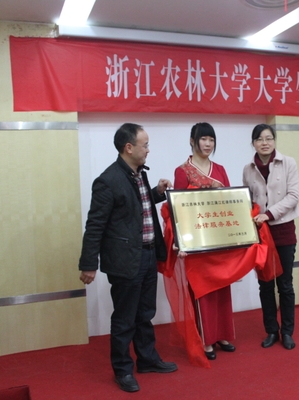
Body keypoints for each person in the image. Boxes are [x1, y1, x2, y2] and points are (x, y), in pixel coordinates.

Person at [78, 123, 177, 393]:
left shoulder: (138, 173)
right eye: (145, 145)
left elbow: (136, 207)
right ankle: (122, 369)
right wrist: (89, 264)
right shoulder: (108, 180)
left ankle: (147, 359)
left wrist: (157, 192)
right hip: (125, 260)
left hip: (147, 255)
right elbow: (95, 225)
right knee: (125, 318)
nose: (148, 150)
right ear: (129, 147)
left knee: (145, 313)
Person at [173, 122, 236, 360]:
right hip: (197, 243)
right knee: (202, 291)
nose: (208, 144)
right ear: (192, 141)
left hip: (218, 239)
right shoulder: (182, 171)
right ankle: (206, 339)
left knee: (221, 288)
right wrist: (181, 241)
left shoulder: (219, 169)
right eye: (203, 139)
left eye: (211, 139)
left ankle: (222, 335)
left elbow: (230, 202)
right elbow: (177, 209)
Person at [242, 123, 299, 350]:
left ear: (274, 140)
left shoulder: (289, 163)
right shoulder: (248, 169)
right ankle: (271, 330)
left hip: (283, 229)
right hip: (261, 233)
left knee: (285, 284)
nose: (264, 143)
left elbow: (293, 196)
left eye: (268, 138)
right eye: (259, 139)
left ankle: (287, 332)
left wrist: (268, 214)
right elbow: (246, 201)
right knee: (265, 284)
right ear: (253, 143)